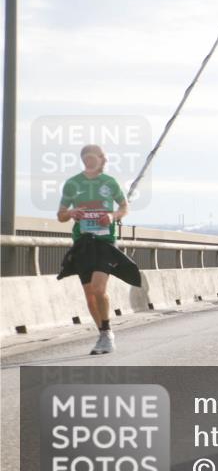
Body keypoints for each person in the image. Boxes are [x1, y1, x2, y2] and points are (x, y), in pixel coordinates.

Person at [56, 144, 140, 355]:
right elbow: (61, 215)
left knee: (98, 288)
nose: (103, 161)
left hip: (105, 241)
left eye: (102, 157)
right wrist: (72, 212)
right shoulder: (73, 184)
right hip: (83, 243)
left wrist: (112, 216)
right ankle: (103, 333)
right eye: (97, 158)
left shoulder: (109, 183)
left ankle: (107, 333)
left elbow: (124, 207)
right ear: (87, 160)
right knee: (89, 295)